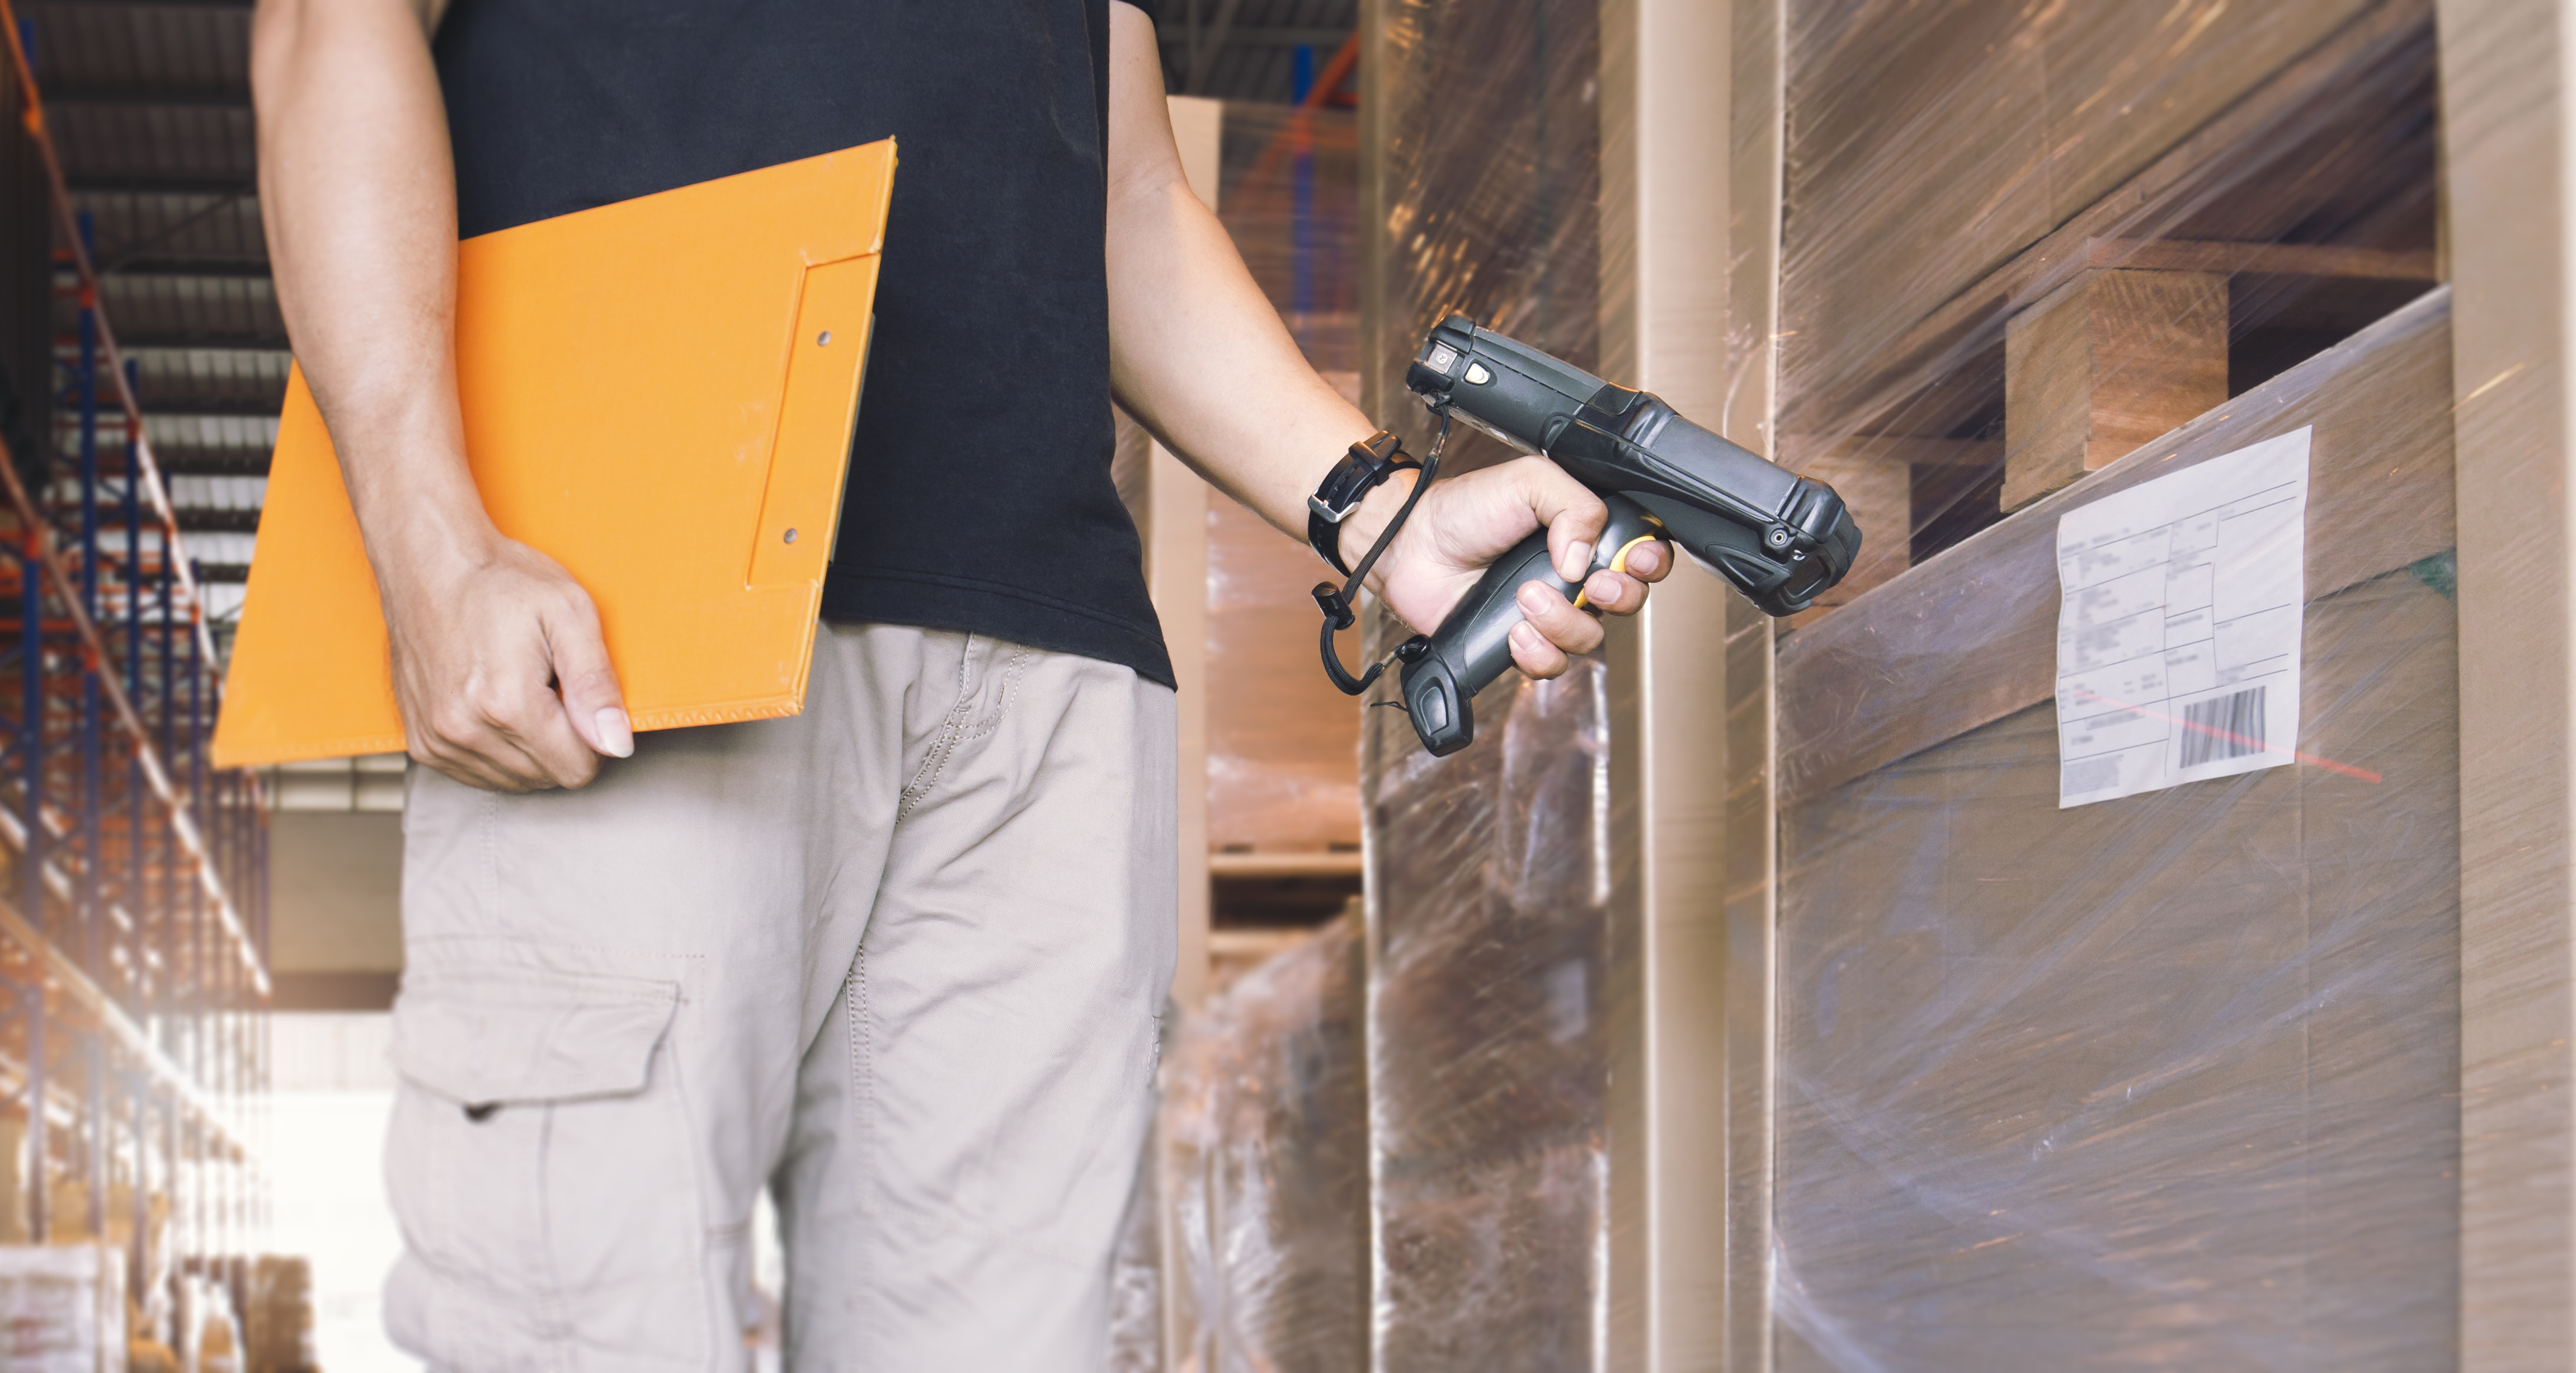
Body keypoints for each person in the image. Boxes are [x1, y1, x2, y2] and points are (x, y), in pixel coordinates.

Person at [250, 1, 1670, 1366]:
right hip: (637, 624)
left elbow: (1122, 195)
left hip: (1042, 679)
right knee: (589, 1328)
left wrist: (1377, 514)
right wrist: (426, 542)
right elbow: (329, 21)